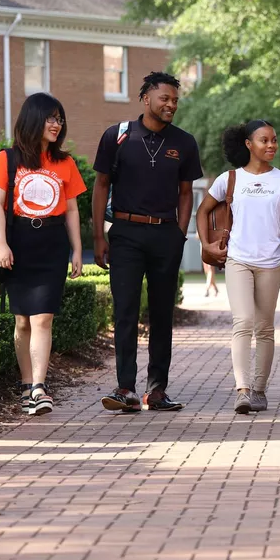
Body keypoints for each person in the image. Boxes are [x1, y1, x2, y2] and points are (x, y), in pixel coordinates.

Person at [92, 72, 202, 413]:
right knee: (125, 311)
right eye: (164, 98)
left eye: (175, 100)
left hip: (165, 235)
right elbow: (100, 186)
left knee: (161, 314)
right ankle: (125, 387)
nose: (170, 104)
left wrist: (180, 234)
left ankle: (156, 391)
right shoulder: (117, 136)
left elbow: (186, 193)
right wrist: (98, 236)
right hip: (125, 233)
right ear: (146, 99)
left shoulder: (184, 142)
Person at [0, 93, 86, 416]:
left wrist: (78, 249)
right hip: (19, 242)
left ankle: (40, 388)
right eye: (51, 118)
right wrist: (1, 244)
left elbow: (71, 209)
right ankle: (27, 385)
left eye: (60, 119)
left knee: (43, 317)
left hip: (52, 243)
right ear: (33, 119)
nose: (57, 124)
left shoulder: (65, 162)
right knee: (23, 321)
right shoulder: (7, 159)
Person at [196, 120, 280, 414]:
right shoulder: (229, 179)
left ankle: (259, 390)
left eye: (274, 140)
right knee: (242, 322)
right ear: (248, 144)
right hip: (237, 260)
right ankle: (242, 390)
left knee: (265, 328)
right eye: (264, 140)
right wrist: (206, 245)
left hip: (270, 263)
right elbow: (202, 211)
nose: (271, 146)